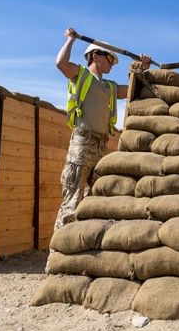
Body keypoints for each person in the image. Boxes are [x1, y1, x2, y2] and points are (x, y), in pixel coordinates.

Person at [53, 27, 151, 229]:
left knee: (94, 203)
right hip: (82, 144)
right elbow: (60, 63)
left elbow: (133, 91)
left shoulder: (109, 87)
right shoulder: (81, 76)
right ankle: (57, 256)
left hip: (101, 148)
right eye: (110, 59)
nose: (112, 65)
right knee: (72, 203)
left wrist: (143, 68)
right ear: (95, 56)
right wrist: (71, 39)